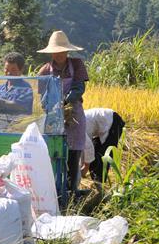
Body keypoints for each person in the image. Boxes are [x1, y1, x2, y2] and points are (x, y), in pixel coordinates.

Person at [37, 31, 88, 199]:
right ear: (51, 53)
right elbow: (42, 97)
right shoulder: (44, 71)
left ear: (67, 51)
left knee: (73, 157)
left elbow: (79, 88)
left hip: (73, 116)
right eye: (55, 51)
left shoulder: (77, 65)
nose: (58, 54)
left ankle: (72, 193)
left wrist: (65, 101)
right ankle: (55, 194)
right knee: (54, 155)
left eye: (61, 51)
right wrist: (52, 105)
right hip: (53, 118)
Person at [82, 108, 126, 183]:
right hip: (100, 127)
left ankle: (99, 184)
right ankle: (96, 181)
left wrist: (85, 167)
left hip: (113, 121)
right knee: (94, 157)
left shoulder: (77, 129)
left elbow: (88, 148)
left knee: (103, 156)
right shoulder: (73, 126)